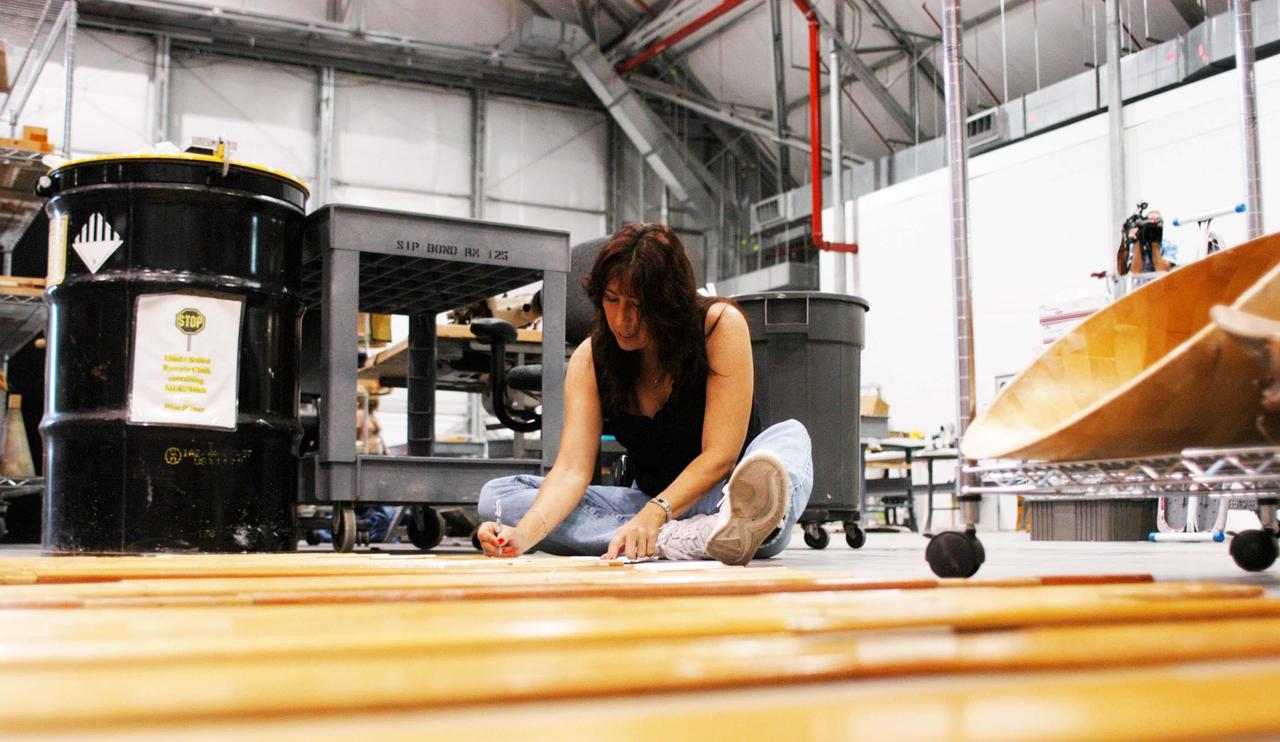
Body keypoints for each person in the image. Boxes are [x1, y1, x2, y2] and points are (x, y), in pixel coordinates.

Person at [475, 223, 813, 565]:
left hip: (727, 498)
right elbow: (571, 472)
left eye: (639, 304)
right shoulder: (591, 359)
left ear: (670, 301)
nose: (623, 320)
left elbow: (721, 456)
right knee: (497, 496)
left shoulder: (718, 325)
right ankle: (689, 539)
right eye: (612, 299)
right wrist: (523, 535)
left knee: (791, 438)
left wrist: (656, 515)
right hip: (646, 502)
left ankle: (726, 527)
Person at [1117, 209, 1178, 276]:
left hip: (1160, 285)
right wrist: (1138, 242)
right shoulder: (1134, 245)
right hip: (1141, 285)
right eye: (1149, 223)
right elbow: (1136, 273)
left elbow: (1162, 271)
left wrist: (1155, 245)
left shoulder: (1169, 246)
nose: (1152, 227)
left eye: (1157, 222)